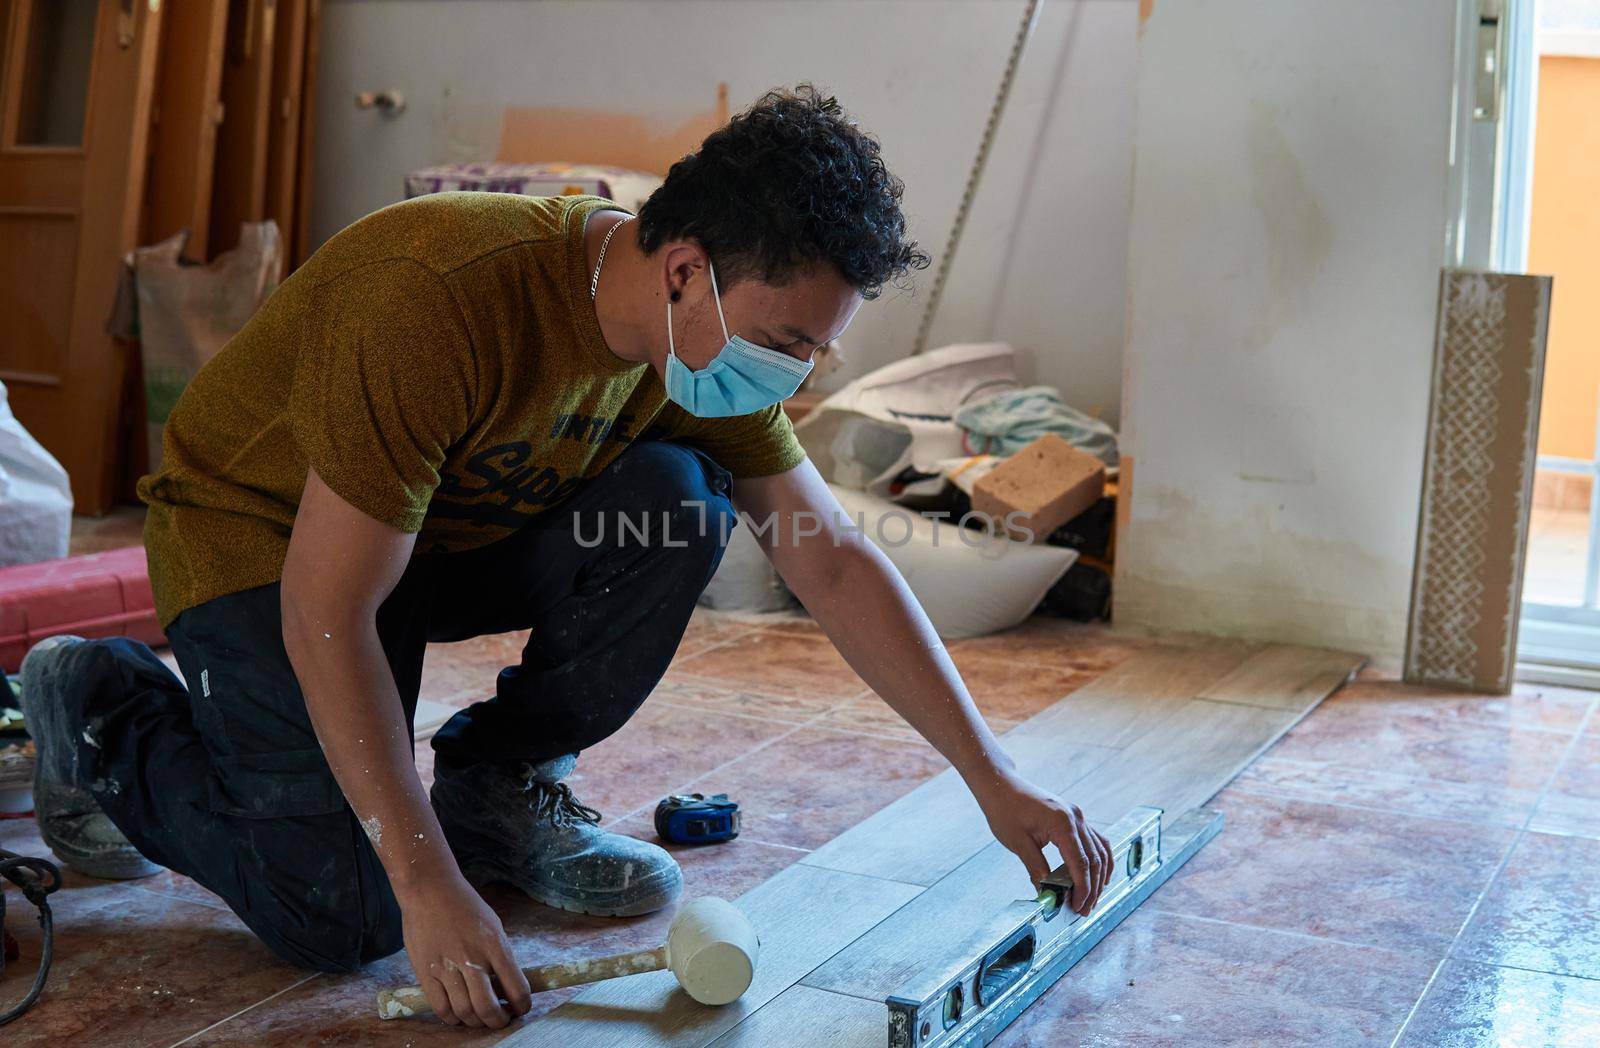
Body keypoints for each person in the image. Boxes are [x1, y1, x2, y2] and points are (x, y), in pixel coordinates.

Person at [19, 86, 1112, 1030]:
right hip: (264, 544)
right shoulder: (435, 299)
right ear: (685, 268)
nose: (801, 375)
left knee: (683, 502)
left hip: (424, 542)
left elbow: (827, 561)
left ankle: (497, 782)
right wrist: (423, 878)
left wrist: (992, 777)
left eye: (819, 350)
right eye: (789, 344)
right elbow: (326, 610)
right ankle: (107, 705)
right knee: (345, 911)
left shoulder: (688, 342)